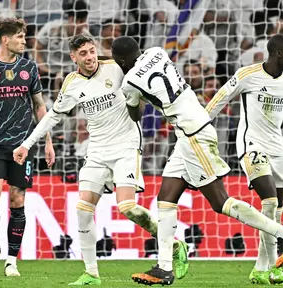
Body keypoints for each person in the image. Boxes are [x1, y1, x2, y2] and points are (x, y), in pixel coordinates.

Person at [12, 34, 189, 285]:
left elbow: (147, 81)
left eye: (92, 51)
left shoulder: (116, 68)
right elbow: (53, 115)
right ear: (73, 57)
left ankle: (173, 245)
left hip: (126, 146)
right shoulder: (71, 83)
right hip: (96, 151)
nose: (90, 57)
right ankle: (91, 273)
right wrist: (27, 144)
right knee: (83, 210)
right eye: (83, 53)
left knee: (127, 207)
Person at [111, 36, 283, 286]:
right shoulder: (158, 52)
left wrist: (130, 97)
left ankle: (281, 234)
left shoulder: (129, 82)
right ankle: (164, 267)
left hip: (193, 135)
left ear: (121, 61)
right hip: (189, 130)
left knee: (220, 202)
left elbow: (136, 114)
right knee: (166, 199)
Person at [0, 18, 55, 277]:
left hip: (24, 145)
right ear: (5, 39)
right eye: (20, 37)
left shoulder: (29, 68)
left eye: (24, 37)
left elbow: (40, 106)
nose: (24, 41)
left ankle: (12, 260)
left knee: (17, 200)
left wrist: (47, 141)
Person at [206, 34, 283, 284]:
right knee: (269, 200)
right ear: (279, 53)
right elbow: (217, 102)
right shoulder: (247, 74)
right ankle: (275, 267)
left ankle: (260, 269)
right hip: (252, 146)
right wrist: (195, 132)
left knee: (275, 210)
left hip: (278, 148)